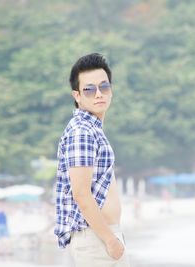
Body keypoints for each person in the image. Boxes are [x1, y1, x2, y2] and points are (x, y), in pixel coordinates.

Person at [54, 53, 130, 267]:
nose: (99, 94)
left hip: (101, 237)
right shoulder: (82, 132)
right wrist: (109, 240)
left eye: (104, 87)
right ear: (77, 96)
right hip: (97, 239)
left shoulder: (92, 129)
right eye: (89, 89)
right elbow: (80, 193)